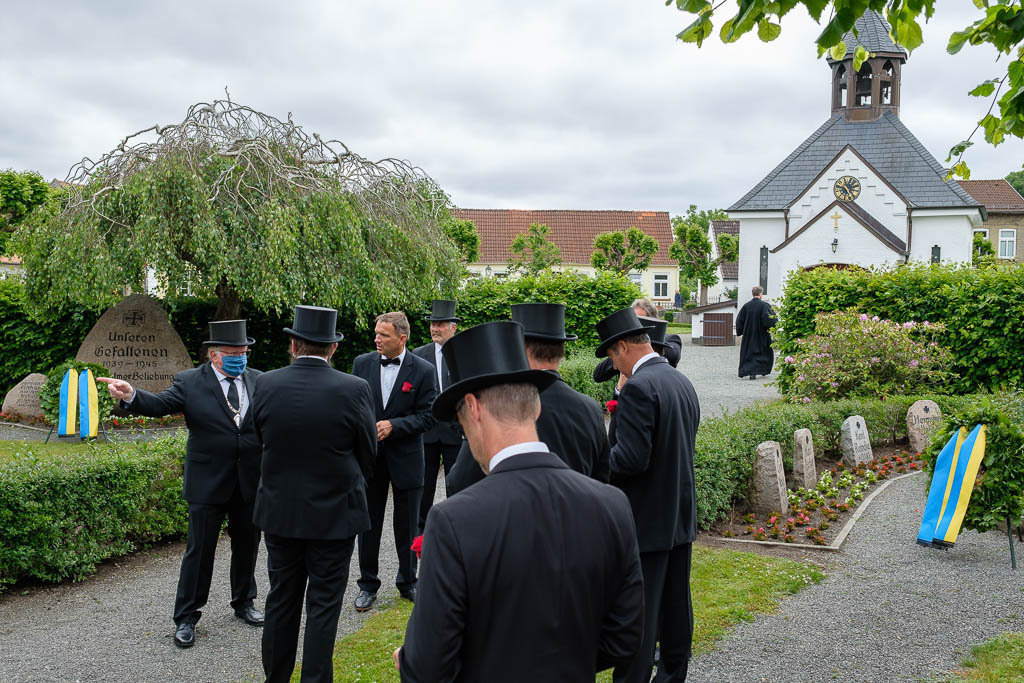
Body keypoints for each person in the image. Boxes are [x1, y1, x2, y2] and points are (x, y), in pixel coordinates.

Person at [395, 321, 644, 682]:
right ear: (536, 408)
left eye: (461, 421)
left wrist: (410, 662)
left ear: (473, 409)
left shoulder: (452, 522)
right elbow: (625, 636)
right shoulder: (611, 505)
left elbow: (427, 667)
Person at [98, 320, 264, 649]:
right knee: (199, 551)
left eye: (244, 352)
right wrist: (131, 394)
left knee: (248, 546)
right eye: (233, 353)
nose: (240, 358)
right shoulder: (190, 382)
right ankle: (187, 616)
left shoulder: (259, 380)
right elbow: (160, 405)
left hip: (250, 480)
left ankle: (244, 602)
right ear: (214, 355)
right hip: (208, 482)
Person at [251, 305, 377, 683]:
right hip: (335, 514)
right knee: (324, 606)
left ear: (293, 344)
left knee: (281, 599)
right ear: (333, 348)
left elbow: (262, 438)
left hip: (280, 511)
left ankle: (276, 677)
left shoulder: (266, 383)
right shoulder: (354, 388)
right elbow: (368, 451)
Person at [596, 307, 701, 683]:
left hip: (645, 520)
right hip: (679, 515)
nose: (614, 365)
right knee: (675, 609)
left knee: (639, 616)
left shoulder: (639, 387)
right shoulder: (679, 380)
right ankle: (673, 675)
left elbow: (631, 459)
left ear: (623, 346)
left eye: (612, 356)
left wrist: (598, 458)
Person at [445, 302, 610, 495]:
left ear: (519, 347)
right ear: (562, 347)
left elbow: (459, 481)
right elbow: (602, 479)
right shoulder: (591, 409)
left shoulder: (503, 403)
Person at [352, 312, 436, 611]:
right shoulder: (361, 364)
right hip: (370, 459)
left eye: (383, 335)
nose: (376, 339)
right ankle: (367, 584)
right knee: (368, 523)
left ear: (402, 338)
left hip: (407, 458)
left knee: (408, 524)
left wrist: (394, 426)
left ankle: (408, 581)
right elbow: (355, 407)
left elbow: (429, 415)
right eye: (376, 333)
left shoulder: (423, 370)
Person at [411, 300, 462, 534]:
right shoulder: (419, 355)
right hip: (427, 432)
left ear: (453, 327)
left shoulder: (464, 353)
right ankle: (420, 532)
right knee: (424, 486)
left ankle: (455, 528)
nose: (434, 328)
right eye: (432, 324)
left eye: (440, 324)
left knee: (456, 483)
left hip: (455, 430)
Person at [594, 299, 681, 384]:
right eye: (632, 318)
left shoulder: (670, 339)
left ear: (653, 320)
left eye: (639, 320)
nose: (634, 323)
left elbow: (673, 355)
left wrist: (641, 342)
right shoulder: (625, 346)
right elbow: (598, 374)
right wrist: (619, 353)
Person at [736, 285, 778, 380]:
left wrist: (741, 331)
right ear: (760, 294)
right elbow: (770, 319)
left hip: (749, 335)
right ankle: (763, 370)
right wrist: (771, 328)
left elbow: (739, 320)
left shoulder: (746, 306)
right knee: (763, 353)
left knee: (749, 353)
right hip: (761, 334)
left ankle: (750, 372)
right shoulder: (765, 305)